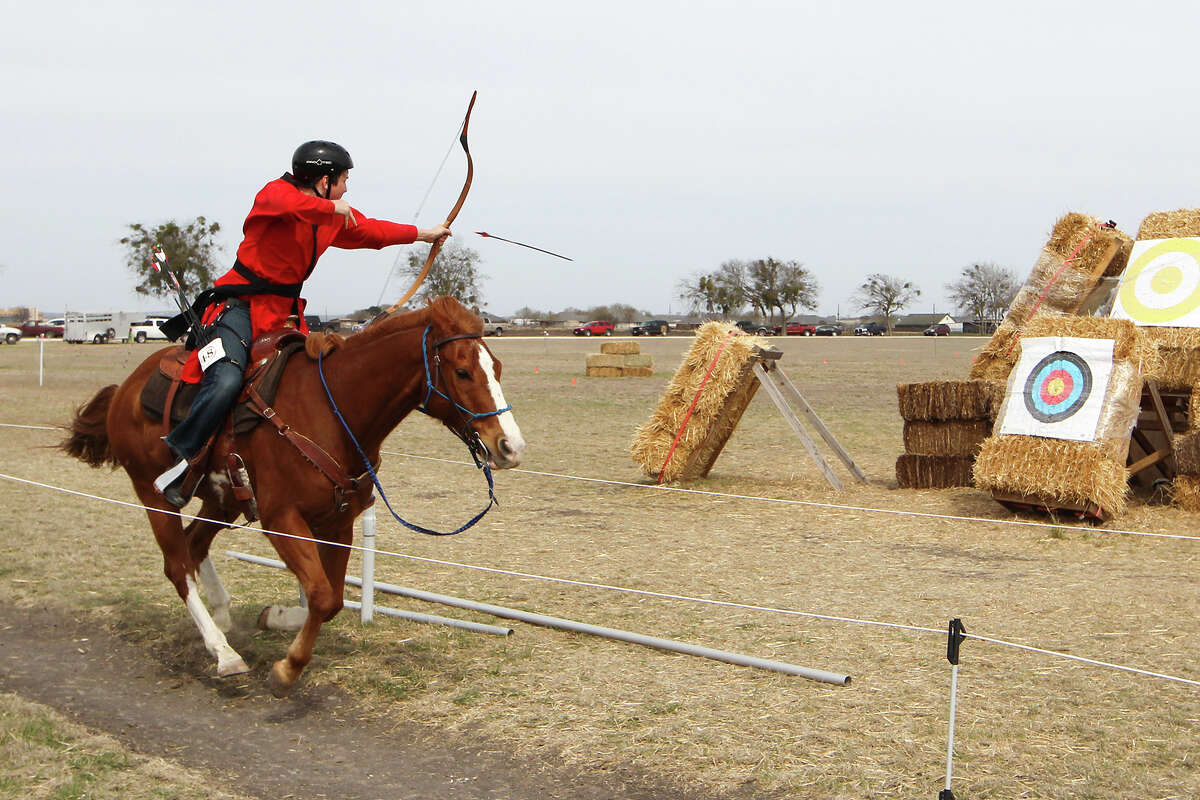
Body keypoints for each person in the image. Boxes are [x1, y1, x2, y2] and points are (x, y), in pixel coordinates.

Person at [154, 140, 450, 507]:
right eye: (343, 180)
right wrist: (331, 207)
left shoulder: (329, 215)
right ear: (324, 180)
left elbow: (372, 232)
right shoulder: (275, 194)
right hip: (239, 307)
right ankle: (181, 455)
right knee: (227, 378)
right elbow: (291, 205)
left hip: (284, 313)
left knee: (312, 381)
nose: (346, 189)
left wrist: (423, 234)